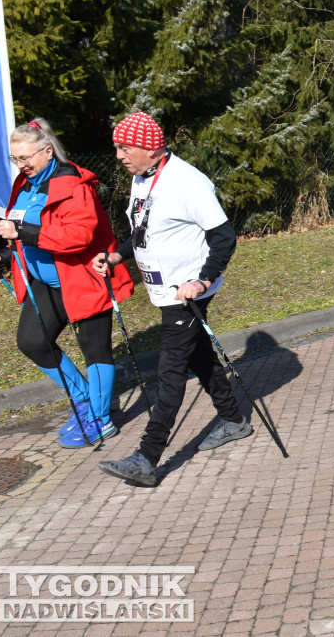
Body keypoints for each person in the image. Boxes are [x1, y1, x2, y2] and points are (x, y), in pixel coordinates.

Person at [93, 112, 252, 487]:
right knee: (198, 356)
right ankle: (233, 419)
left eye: (124, 147)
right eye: (117, 147)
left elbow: (224, 237)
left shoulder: (187, 182)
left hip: (187, 292)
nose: (118, 155)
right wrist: (117, 256)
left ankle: (147, 458)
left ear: (150, 148)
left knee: (170, 371)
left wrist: (201, 280)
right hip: (164, 291)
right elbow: (144, 229)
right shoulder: (142, 177)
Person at [0, 118, 133, 448]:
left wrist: (21, 232)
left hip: (83, 278)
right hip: (44, 281)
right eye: (15, 159)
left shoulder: (73, 184)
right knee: (32, 342)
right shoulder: (25, 186)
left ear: (47, 151)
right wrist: (3, 256)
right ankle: (83, 398)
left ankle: (101, 419)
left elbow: (78, 236)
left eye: (26, 158)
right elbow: (24, 234)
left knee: (95, 350)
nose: (20, 165)